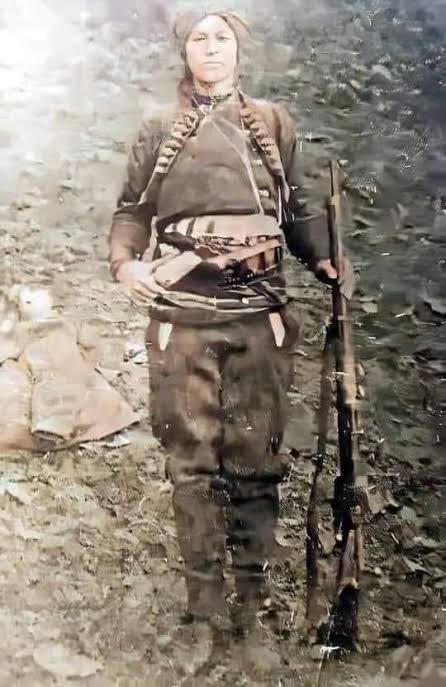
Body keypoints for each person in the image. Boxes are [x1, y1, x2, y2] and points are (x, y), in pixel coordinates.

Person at [108, 10, 354, 633]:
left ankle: (251, 602)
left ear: (239, 49)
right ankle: (204, 607)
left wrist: (324, 257)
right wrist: (126, 265)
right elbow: (131, 211)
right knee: (191, 462)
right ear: (184, 50)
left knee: (255, 457)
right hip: (182, 318)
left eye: (222, 38)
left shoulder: (271, 123)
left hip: (259, 316)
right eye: (199, 38)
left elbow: (296, 209)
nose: (211, 49)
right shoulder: (158, 128)